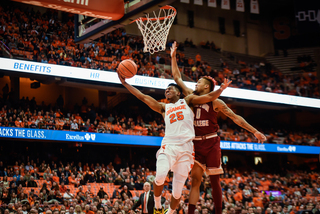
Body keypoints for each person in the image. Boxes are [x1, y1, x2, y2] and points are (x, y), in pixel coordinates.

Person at [170, 41, 267, 214]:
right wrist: (173, 57)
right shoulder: (191, 96)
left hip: (212, 143)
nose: (195, 84)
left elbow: (235, 118)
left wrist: (255, 131)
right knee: (195, 180)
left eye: (198, 82)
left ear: (206, 86)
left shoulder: (216, 101)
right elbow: (177, 77)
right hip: (196, 144)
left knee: (215, 181)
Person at [118, 68, 230, 214]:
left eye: (169, 89)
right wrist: (125, 84)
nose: (166, 91)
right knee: (159, 176)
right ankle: (158, 207)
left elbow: (208, 98)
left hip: (186, 150)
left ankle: (169, 212)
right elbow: (142, 96)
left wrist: (220, 89)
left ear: (178, 92)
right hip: (169, 146)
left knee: (177, 193)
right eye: (165, 90)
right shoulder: (164, 107)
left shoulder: (188, 101)